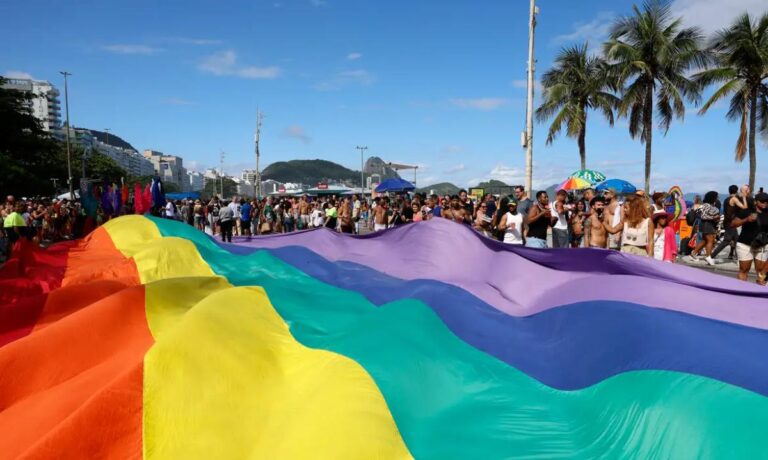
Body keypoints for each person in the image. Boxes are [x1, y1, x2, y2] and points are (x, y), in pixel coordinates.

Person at [731, 192, 768, 284]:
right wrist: (746, 219)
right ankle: (741, 292)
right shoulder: (747, 211)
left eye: (767, 201)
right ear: (756, 202)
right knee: (744, 270)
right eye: (762, 201)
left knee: (761, 271)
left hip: (762, 245)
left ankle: (759, 294)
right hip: (745, 244)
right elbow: (733, 224)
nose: (765, 203)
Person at [689, 191, 720, 265]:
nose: (717, 198)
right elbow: (703, 216)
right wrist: (714, 217)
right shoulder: (707, 205)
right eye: (716, 196)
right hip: (707, 224)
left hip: (707, 224)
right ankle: (708, 256)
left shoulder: (708, 205)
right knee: (710, 240)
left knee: (705, 241)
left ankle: (693, 253)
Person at [712, 185, 743, 260]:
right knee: (726, 241)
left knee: (736, 239)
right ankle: (711, 256)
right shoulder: (734, 199)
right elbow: (743, 207)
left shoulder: (726, 199)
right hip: (731, 222)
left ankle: (732, 255)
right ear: (736, 191)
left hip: (727, 222)